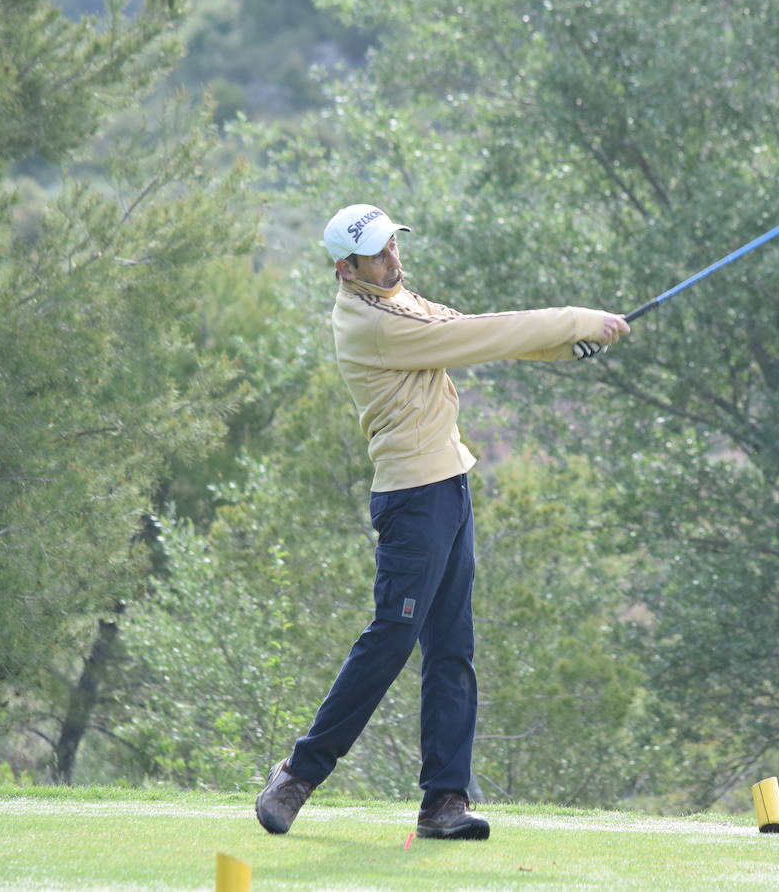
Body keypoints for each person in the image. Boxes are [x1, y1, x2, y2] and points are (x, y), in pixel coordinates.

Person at [255, 204, 630, 841]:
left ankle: (444, 802)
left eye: (393, 246)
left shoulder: (402, 300)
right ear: (346, 270)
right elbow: (483, 336)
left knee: (453, 649)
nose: (393, 259)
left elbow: (468, 329)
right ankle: (299, 771)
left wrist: (568, 349)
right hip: (412, 497)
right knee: (391, 641)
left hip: (448, 486)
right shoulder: (372, 322)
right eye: (377, 254)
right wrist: (578, 320)